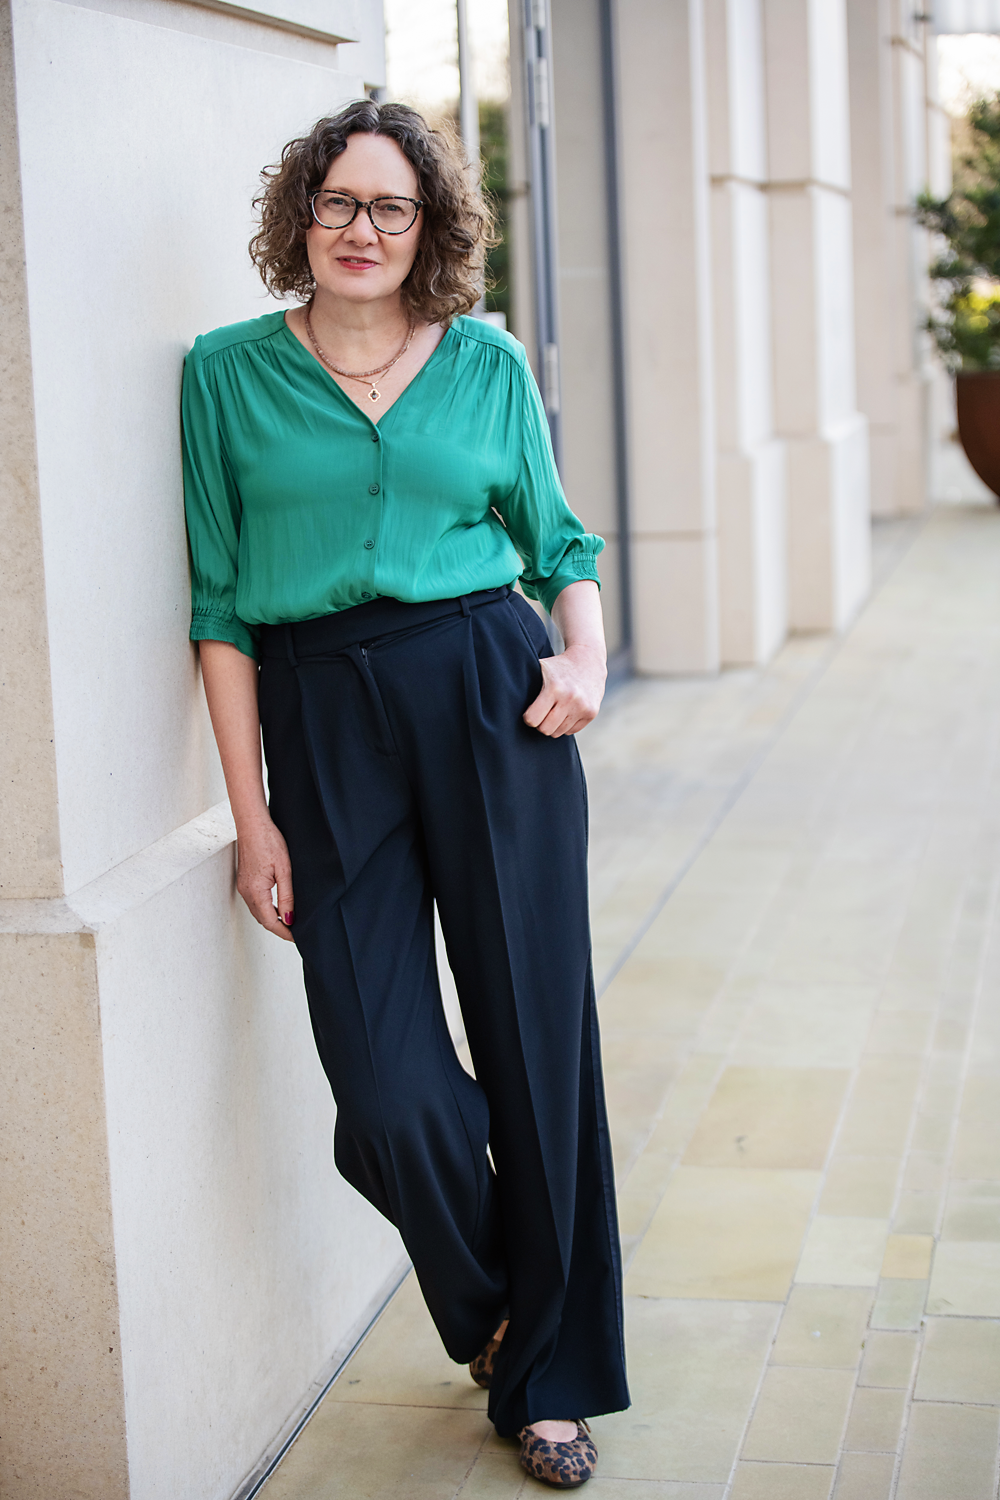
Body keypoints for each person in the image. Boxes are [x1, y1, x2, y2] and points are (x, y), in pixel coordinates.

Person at [182, 98, 629, 1489]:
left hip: (492, 699)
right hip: (321, 719)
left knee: (536, 1045)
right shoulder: (225, 375)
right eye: (338, 202)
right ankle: (499, 1307)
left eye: (390, 206)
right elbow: (218, 605)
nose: (362, 229)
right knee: (385, 1087)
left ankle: (550, 1382)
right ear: (300, 216)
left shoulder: (486, 362)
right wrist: (252, 814)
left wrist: (587, 660)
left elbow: (557, 540)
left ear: (428, 227)